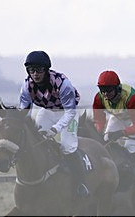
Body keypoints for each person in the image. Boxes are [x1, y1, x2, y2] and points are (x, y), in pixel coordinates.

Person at [18, 50, 89, 197]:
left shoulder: (63, 83)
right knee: (38, 141)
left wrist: (55, 129)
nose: (35, 74)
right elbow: (24, 113)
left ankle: (81, 184)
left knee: (68, 147)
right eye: (32, 71)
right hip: (48, 111)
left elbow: (70, 112)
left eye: (39, 70)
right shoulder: (26, 87)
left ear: (46, 69)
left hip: (68, 112)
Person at [92, 70, 135, 193]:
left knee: (131, 145)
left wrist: (121, 133)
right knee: (105, 140)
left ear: (117, 88)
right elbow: (99, 122)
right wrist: (99, 133)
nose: (105, 94)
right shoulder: (98, 98)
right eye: (102, 90)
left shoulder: (130, 97)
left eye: (109, 90)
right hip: (119, 115)